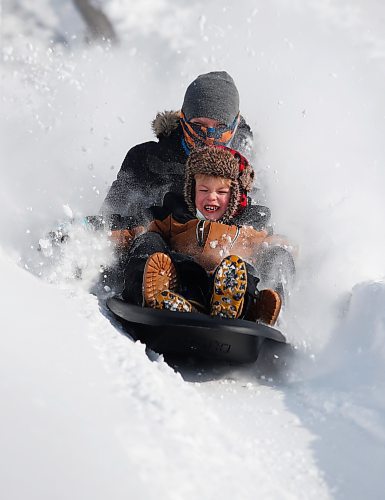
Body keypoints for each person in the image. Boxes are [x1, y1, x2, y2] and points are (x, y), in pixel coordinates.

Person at [118, 146, 295, 326]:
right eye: (203, 190)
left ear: (235, 197)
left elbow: (273, 246)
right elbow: (138, 229)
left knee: (241, 272)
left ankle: (247, 309)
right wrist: (110, 236)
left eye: (221, 192)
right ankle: (162, 297)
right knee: (150, 241)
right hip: (184, 279)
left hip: (230, 285)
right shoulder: (176, 217)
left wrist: (284, 250)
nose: (211, 197)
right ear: (191, 191)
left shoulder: (250, 229)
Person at [100, 71, 254, 224]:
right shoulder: (146, 160)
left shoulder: (247, 167)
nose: (209, 138)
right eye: (198, 126)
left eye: (221, 127)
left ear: (235, 123)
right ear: (183, 119)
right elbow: (109, 218)